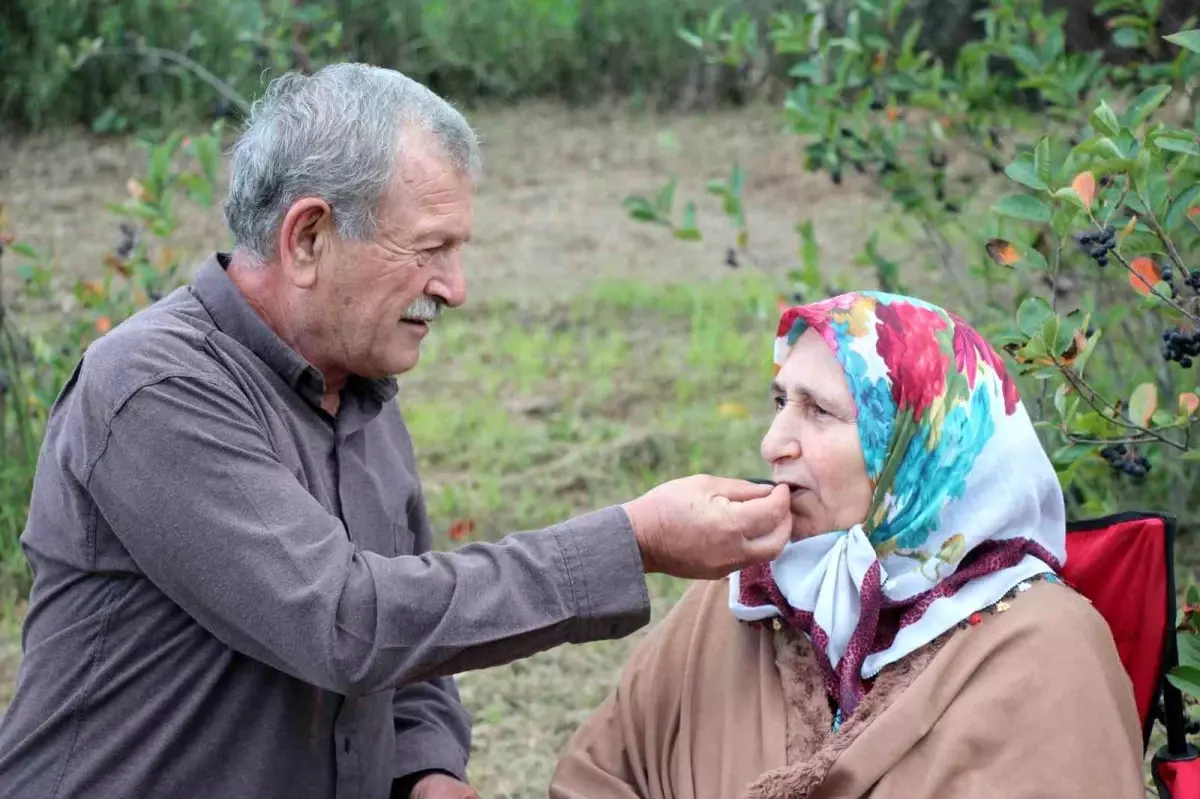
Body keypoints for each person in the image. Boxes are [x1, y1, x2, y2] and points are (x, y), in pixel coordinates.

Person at [0, 64, 793, 799]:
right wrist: (632, 541)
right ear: (308, 238)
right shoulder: (155, 388)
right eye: (429, 249)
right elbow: (346, 622)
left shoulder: (359, 390)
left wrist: (426, 767)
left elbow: (409, 640)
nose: (456, 287)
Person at [551, 291, 1145, 799]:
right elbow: (599, 776)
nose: (772, 443)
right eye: (781, 401)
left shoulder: (1046, 650)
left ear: (916, 450)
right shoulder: (740, 599)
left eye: (820, 412)